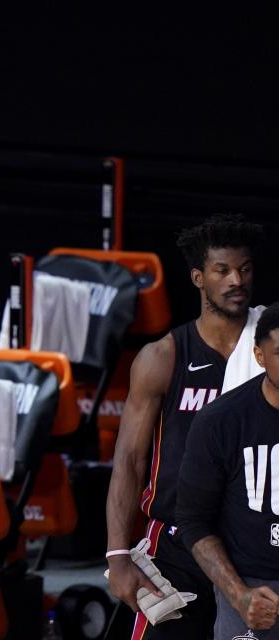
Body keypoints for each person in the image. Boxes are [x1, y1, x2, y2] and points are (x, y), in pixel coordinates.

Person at [105, 213, 265, 638]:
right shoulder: (163, 357)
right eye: (223, 270)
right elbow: (130, 460)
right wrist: (118, 555)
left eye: (244, 269)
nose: (236, 280)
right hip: (176, 547)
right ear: (198, 278)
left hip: (252, 546)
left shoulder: (270, 349)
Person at [177, 303, 279, 640]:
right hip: (253, 585)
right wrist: (239, 594)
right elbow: (193, 522)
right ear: (259, 356)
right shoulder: (220, 421)